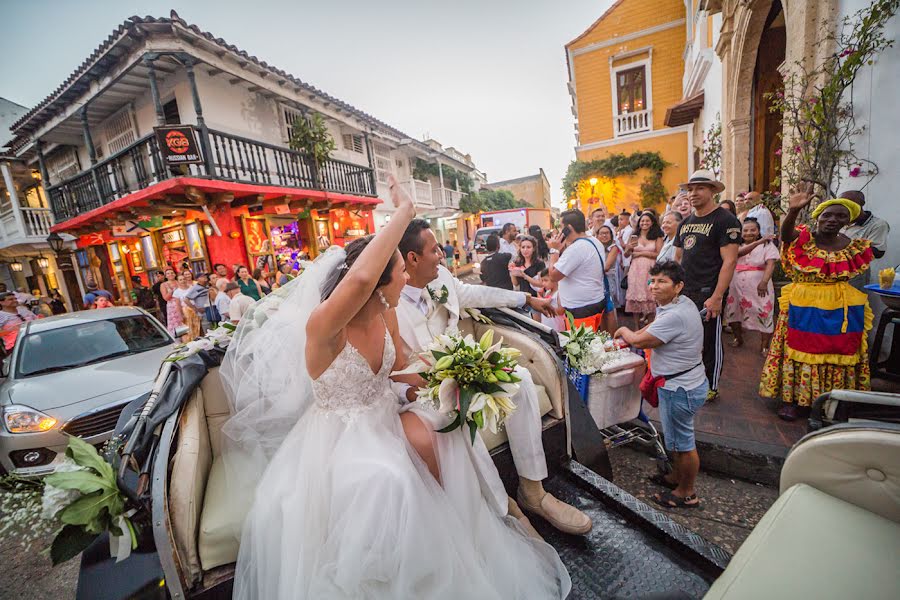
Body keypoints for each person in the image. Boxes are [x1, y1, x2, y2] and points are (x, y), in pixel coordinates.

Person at [223, 178, 571, 600]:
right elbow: (357, 281)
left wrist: (458, 373)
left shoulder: (384, 311)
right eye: (400, 271)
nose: (407, 278)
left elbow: (404, 366)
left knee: (445, 434)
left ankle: (487, 521)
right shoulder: (325, 326)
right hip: (339, 438)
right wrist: (402, 210)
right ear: (377, 281)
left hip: (384, 415)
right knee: (391, 482)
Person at [395, 217, 589, 538]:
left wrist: (526, 299)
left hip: (460, 366)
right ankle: (502, 506)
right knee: (451, 417)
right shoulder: (387, 300)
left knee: (521, 380)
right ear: (412, 258)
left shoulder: (440, 277)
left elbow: (473, 294)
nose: (443, 256)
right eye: (434, 250)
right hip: (424, 389)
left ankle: (533, 490)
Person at [760, 186, 874, 422]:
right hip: (805, 303)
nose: (833, 220)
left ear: (848, 220)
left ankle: (833, 400)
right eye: (827, 215)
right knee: (800, 352)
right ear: (818, 218)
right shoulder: (804, 239)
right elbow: (786, 235)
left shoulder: (852, 246)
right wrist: (792, 211)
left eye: (840, 216)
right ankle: (794, 400)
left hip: (840, 306)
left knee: (838, 352)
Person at [615, 261, 707, 509]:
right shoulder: (679, 303)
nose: (654, 287)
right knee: (676, 440)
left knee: (684, 444)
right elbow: (653, 326)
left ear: (678, 286)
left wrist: (623, 329)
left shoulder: (676, 314)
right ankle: (676, 477)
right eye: (652, 281)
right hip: (683, 381)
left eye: (662, 282)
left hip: (681, 389)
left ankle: (686, 493)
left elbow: (640, 340)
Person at [674, 169, 741, 403]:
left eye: (700, 188)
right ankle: (689, 378)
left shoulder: (725, 220)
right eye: (690, 189)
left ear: (713, 190)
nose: (693, 193)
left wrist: (717, 296)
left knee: (710, 340)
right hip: (685, 291)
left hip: (708, 291)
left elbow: (730, 260)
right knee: (686, 338)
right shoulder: (685, 223)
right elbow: (678, 259)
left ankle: (711, 385)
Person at [548, 209, 609, 332]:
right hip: (594, 301)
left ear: (568, 228)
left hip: (581, 308)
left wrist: (554, 250)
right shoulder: (594, 241)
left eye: (561, 227)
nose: (560, 231)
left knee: (582, 348)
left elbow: (553, 276)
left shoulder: (576, 248)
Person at [725, 219, 779, 354]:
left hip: (758, 286)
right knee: (734, 311)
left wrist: (764, 282)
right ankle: (738, 338)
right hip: (736, 284)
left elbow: (771, 264)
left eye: (753, 230)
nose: (749, 233)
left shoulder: (767, 246)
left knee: (764, 312)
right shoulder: (736, 245)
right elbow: (738, 253)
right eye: (746, 230)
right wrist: (759, 241)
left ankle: (764, 345)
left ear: (758, 231)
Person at [840, 190, 890, 289]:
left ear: (862, 203)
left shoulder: (877, 224)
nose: (845, 205)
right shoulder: (839, 220)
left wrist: (848, 243)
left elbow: (878, 252)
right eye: (841, 202)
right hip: (832, 269)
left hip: (856, 272)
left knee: (853, 302)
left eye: (849, 202)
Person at [625, 212, 664, 325]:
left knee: (651, 295)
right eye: (642, 221)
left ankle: (650, 325)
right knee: (635, 295)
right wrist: (629, 248)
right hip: (635, 270)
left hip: (651, 269)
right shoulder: (634, 235)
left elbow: (659, 254)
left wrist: (642, 254)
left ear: (652, 223)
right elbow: (626, 255)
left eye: (647, 221)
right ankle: (636, 327)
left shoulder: (657, 236)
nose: (644, 223)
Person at [596, 225, 625, 309]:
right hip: (597, 280)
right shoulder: (595, 247)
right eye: (601, 233)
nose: (604, 235)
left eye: (607, 233)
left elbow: (607, 266)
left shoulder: (613, 247)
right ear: (597, 236)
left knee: (609, 306)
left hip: (608, 280)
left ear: (611, 235)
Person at [173, 271, 201, 341]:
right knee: (189, 329)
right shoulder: (177, 292)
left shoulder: (192, 288)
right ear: (178, 281)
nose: (183, 281)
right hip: (186, 311)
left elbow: (197, 299)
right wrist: (180, 315)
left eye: (184, 279)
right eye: (180, 280)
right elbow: (178, 305)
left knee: (198, 327)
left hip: (194, 309)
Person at [161, 268, 183, 335]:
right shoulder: (164, 285)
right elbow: (165, 298)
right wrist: (171, 292)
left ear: (175, 274)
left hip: (181, 303)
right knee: (175, 322)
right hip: (172, 305)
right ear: (166, 276)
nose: (170, 274)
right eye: (168, 273)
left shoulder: (179, 281)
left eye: (172, 273)